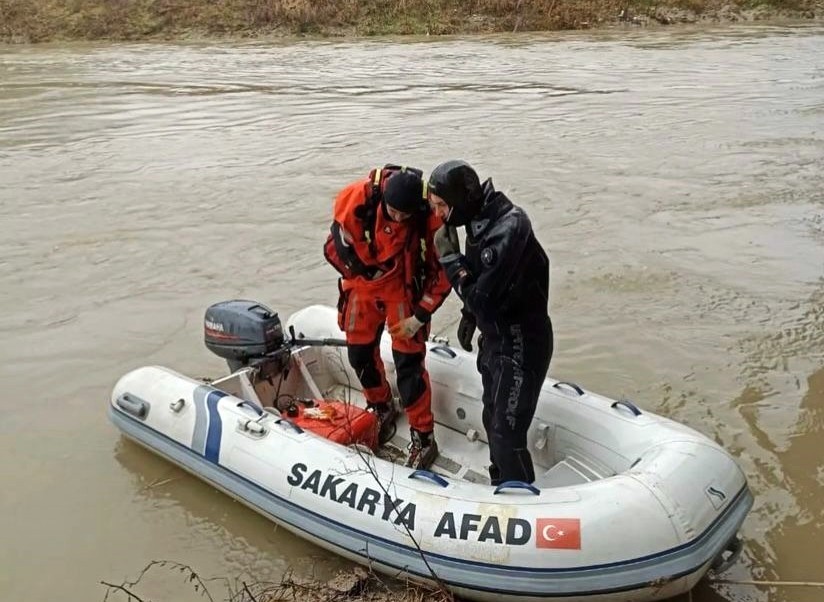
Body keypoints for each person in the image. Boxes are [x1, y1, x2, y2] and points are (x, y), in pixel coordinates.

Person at [427, 160, 553, 486]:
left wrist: (451, 261)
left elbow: (483, 297)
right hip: (495, 338)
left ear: (461, 198)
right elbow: (485, 286)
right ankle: (502, 485)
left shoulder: (508, 228)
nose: (438, 215)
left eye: (442, 206)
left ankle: (522, 506)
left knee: (505, 433)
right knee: (490, 417)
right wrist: (470, 317)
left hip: (522, 342)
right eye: (433, 206)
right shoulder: (477, 223)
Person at [323, 165, 451, 469]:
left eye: (406, 215)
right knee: (359, 355)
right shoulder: (358, 199)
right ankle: (380, 405)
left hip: (403, 291)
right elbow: (335, 242)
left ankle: (423, 436)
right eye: (394, 212)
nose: (399, 219)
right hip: (362, 287)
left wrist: (420, 316)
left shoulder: (429, 220)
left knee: (408, 365)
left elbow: (443, 273)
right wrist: (358, 269)